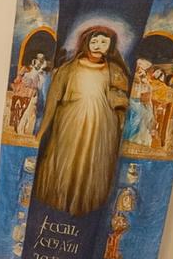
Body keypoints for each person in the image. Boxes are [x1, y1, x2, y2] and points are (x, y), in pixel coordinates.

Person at [32, 23, 130, 217]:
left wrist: (116, 100)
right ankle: (58, 204)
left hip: (102, 127)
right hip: (70, 123)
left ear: (110, 46)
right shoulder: (68, 69)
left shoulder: (115, 71)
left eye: (103, 42)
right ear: (85, 42)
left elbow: (125, 99)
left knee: (92, 164)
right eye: (94, 41)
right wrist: (42, 131)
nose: (98, 45)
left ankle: (87, 207)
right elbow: (52, 101)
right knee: (65, 162)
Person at [122, 57, 154, 147]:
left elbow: (147, 100)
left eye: (144, 68)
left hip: (139, 103)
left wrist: (144, 84)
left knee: (146, 112)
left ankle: (139, 139)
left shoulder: (146, 84)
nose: (141, 69)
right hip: (130, 101)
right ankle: (129, 137)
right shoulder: (129, 78)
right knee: (136, 111)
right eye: (139, 66)